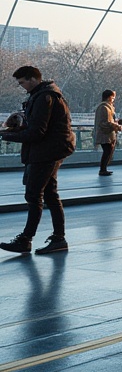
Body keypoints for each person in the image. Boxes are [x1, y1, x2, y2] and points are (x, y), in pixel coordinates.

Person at [0, 66, 76, 255]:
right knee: (50, 194)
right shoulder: (46, 95)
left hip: (46, 153)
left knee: (34, 196)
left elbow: (37, 132)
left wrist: (6, 135)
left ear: (33, 79)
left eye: (22, 82)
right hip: (50, 151)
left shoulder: (45, 97)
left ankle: (26, 240)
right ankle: (58, 239)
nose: (22, 86)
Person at [94, 88, 122, 176]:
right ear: (109, 97)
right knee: (107, 151)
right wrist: (118, 126)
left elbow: (109, 120)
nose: (114, 99)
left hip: (107, 134)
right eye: (113, 97)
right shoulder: (104, 107)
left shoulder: (106, 107)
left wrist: (118, 122)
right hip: (105, 134)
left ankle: (104, 169)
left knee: (108, 151)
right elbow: (105, 122)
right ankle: (103, 169)